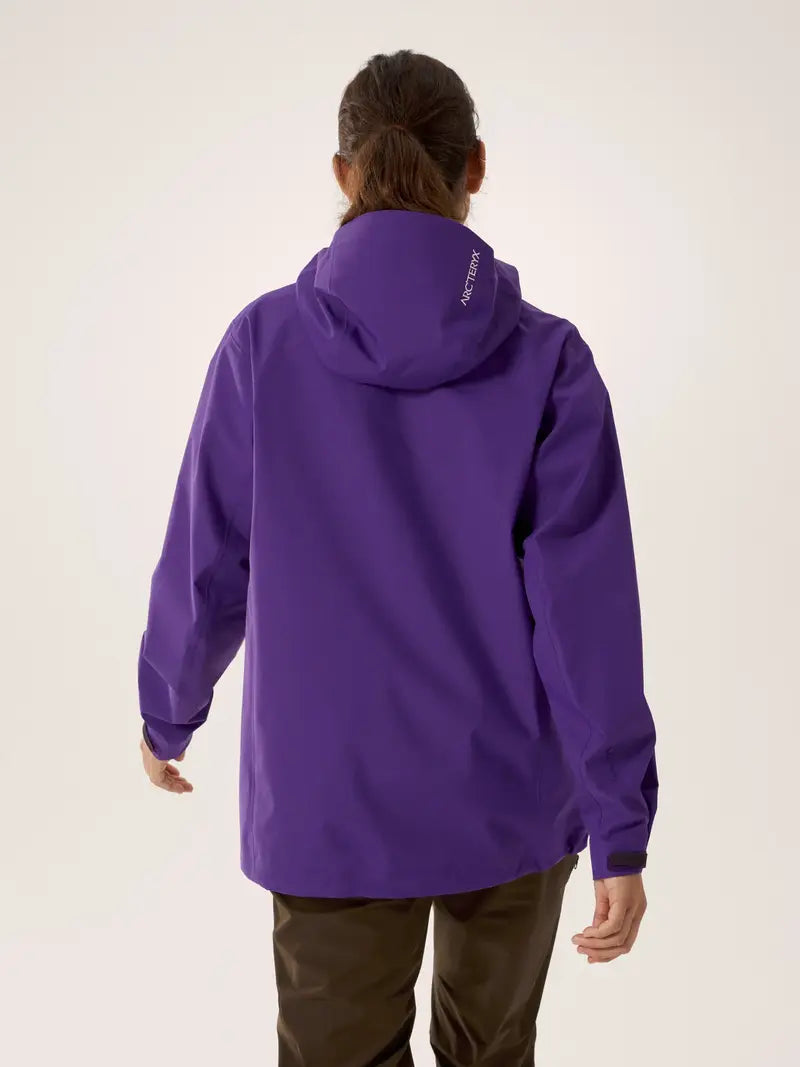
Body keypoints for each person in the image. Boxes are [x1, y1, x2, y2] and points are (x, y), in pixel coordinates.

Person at [137, 48, 658, 1067]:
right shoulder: (548, 360)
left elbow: (210, 558)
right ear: (475, 167)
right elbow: (585, 616)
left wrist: (169, 708)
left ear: (344, 174)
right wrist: (619, 822)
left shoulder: (263, 345)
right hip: (510, 797)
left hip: (328, 801)